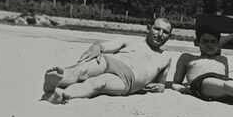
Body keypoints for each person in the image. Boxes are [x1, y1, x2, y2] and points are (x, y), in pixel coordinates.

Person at [41, 18, 174, 103]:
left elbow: (161, 84)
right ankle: (56, 80)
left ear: (169, 36)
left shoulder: (165, 58)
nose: (160, 34)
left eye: (165, 32)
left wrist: (161, 87)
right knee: (82, 70)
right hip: (110, 61)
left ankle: (61, 95)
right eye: (157, 29)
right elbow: (102, 46)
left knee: (98, 84)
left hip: (128, 80)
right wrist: (96, 47)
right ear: (149, 28)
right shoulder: (131, 40)